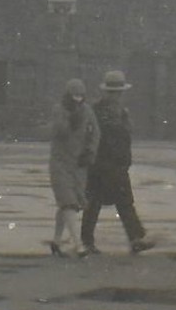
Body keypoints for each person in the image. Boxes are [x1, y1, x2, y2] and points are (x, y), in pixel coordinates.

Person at [80, 69, 156, 255]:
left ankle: (134, 238)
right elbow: (99, 136)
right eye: (114, 92)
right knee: (98, 204)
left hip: (115, 165)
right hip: (103, 164)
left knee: (118, 203)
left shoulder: (120, 112)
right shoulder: (98, 111)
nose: (117, 95)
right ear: (107, 92)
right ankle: (89, 241)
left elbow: (124, 136)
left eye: (119, 92)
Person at [48, 78, 99, 257]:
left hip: (78, 165)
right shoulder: (59, 110)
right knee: (68, 202)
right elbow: (58, 132)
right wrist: (70, 118)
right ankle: (79, 245)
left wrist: (90, 152)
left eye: (81, 96)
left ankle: (56, 241)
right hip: (60, 164)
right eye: (74, 96)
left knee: (68, 205)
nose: (78, 100)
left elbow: (95, 134)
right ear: (67, 96)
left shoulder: (88, 111)